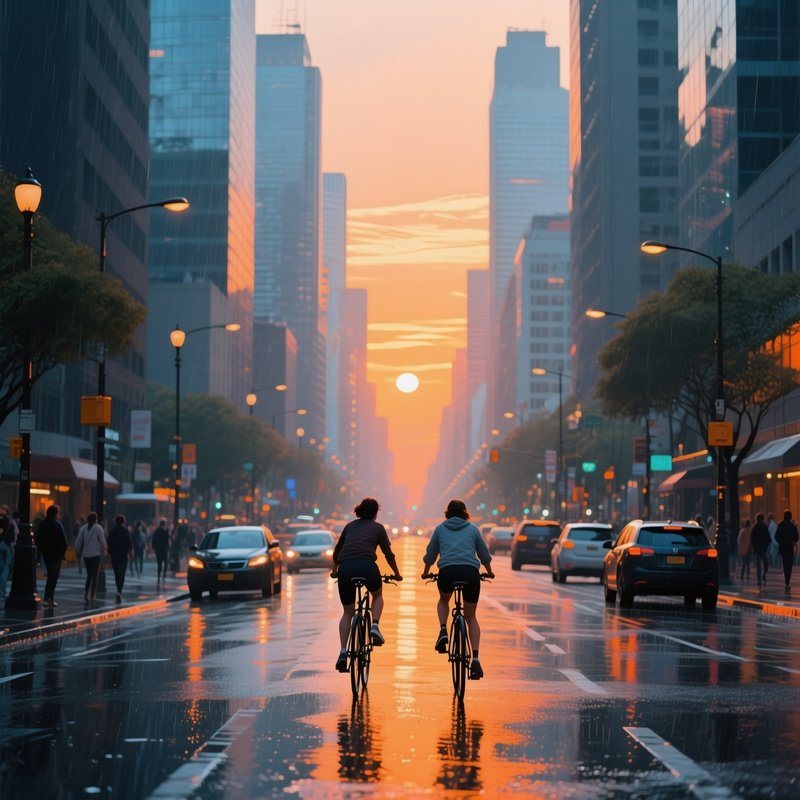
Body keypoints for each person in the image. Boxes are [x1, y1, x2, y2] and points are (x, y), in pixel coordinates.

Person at [421, 499, 495, 680]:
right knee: (471, 617)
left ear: (447, 513)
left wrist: (426, 572)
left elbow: (431, 554)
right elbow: (484, 555)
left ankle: (443, 630)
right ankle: (475, 659)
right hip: (470, 574)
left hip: (447, 573)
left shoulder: (440, 529)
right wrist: (489, 572)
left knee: (444, 600)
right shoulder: (473, 529)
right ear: (465, 513)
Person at [330, 497, 402, 673]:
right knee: (377, 594)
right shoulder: (378, 528)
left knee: (348, 612)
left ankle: (343, 652)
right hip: (367, 566)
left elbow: (338, 551)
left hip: (346, 568)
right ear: (375, 513)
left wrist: (335, 570)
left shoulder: (349, 526)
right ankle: (375, 626)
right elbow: (388, 554)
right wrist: (396, 573)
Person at [36, 504, 68, 607]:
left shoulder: (43, 524)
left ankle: (49, 598)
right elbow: (64, 542)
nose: (59, 515)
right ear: (55, 514)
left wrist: (39, 553)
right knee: (53, 577)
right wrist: (62, 554)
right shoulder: (57, 525)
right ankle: (48, 598)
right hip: (56, 555)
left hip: (46, 553)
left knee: (51, 576)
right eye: (58, 513)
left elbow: (38, 540)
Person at [75, 511, 106, 602]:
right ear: (95, 519)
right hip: (96, 554)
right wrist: (105, 549)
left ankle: (85, 592)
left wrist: (77, 551)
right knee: (95, 575)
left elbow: (78, 542)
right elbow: (102, 540)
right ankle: (92, 595)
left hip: (86, 555)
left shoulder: (83, 528)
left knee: (89, 575)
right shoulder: (98, 528)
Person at [108, 514, 133, 602]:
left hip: (114, 555)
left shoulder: (112, 531)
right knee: (122, 574)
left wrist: (109, 552)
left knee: (116, 574)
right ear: (123, 522)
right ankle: (119, 591)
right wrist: (130, 553)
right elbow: (129, 543)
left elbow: (109, 542)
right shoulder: (125, 531)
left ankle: (118, 589)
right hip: (123, 555)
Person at [775, 509, 799, 591]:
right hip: (790, 547)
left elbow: (776, 536)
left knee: (785, 562)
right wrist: (792, 541)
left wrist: (781, 542)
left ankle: (786, 578)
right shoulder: (792, 526)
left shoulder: (780, 525)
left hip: (782, 547)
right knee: (789, 563)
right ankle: (788, 577)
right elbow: (797, 537)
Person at [0, 504, 19, 598]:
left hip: (4, 545)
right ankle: (2, 591)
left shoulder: (8, 521)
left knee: (3, 569)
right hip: (5, 546)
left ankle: (2, 591)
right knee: (5, 570)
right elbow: (14, 534)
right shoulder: (9, 521)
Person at [750, 512, 771, 589]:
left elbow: (752, 538)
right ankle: (764, 575)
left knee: (758, 567)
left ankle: (759, 581)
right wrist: (767, 546)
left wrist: (754, 547)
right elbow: (769, 538)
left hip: (757, 549)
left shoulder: (754, 527)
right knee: (766, 565)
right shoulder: (765, 527)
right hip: (764, 549)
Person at [151, 518, 170, 583]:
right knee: (165, 563)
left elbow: (154, 539)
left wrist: (154, 547)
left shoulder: (157, 531)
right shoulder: (166, 531)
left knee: (159, 563)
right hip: (164, 549)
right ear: (164, 524)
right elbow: (167, 541)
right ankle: (163, 575)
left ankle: (159, 576)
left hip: (158, 549)